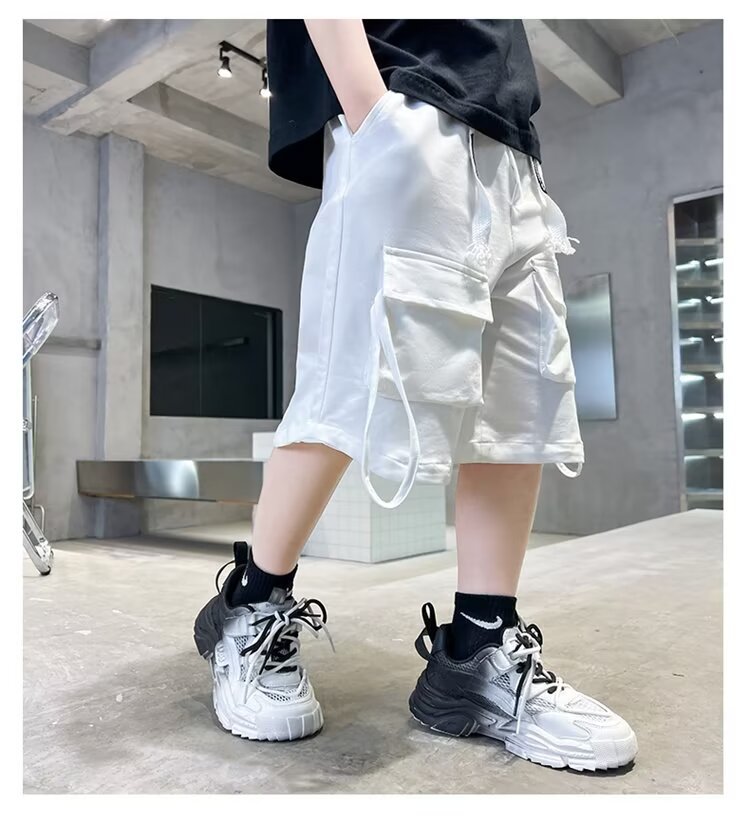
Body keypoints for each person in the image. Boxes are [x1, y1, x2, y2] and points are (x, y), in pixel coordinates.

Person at [194, 19, 637, 771]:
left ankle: (477, 652)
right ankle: (251, 602)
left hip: (513, 148)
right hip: (405, 106)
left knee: (516, 405)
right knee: (350, 382)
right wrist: (373, 114)